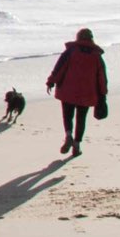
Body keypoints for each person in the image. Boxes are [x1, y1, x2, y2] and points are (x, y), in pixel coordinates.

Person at [46, 28, 108, 157]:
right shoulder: (96, 56)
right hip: (87, 93)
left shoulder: (71, 51)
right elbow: (102, 77)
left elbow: (59, 68)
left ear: (78, 37)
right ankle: (77, 145)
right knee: (81, 118)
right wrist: (103, 94)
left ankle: (68, 135)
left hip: (68, 90)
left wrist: (51, 81)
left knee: (67, 115)